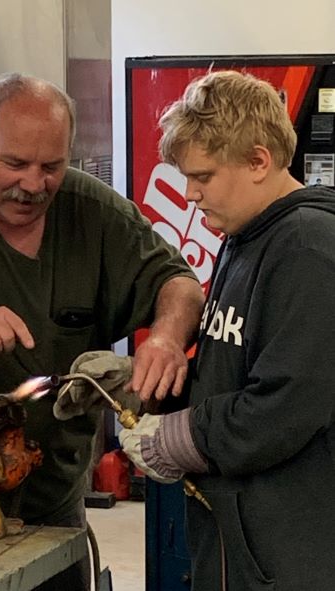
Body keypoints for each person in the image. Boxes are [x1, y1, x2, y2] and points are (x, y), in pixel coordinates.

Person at [0, 73, 204, 590]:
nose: (34, 185)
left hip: (51, 510)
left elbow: (178, 283)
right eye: (15, 164)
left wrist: (167, 339)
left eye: (51, 167)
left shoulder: (94, 213)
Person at [115, 71, 335, 590]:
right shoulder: (244, 237)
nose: (189, 194)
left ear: (259, 161)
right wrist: (142, 386)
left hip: (293, 554)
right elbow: (234, 368)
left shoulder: (307, 248)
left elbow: (284, 406)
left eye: (204, 176)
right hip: (240, 540)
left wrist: (180, 438)